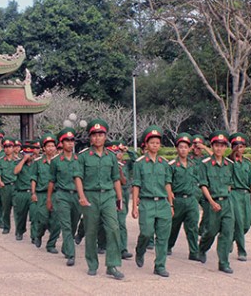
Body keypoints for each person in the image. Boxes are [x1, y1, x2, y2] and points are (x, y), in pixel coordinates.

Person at [73, 119, 124, 280]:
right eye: (94, 135)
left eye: (100, 134)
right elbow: (78, 177)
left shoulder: (111, 156)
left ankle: (112, 265)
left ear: (105, 136)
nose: (97, 138)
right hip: (90, 196)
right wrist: (81, 197)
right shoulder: (83, 157)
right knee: (91, 230)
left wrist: (119, 198)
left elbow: (116, 178)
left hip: (108, 195)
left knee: (114, 228)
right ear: (90, 137)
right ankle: (92, 264)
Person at [132, 125, 173, 278]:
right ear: (146, 144)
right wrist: (135, 206)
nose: (155, 145)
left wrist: (171, 204)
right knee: (146, 233)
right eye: (152, 142)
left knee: (163, 237)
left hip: (163, 203)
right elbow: (136, 184)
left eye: (157, 143)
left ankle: (160, 266)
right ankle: (140, 250)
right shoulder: (140, 163)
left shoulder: (164, 163)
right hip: (147, 203)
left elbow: (168, 184)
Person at [198, 130, 235, 274]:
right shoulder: (205, 164)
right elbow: (203, 185)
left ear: (226, 147)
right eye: (216, 145)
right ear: (212, 146)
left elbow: (230, 184)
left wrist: (227, 197)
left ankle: (224, 262)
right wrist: (212, 202)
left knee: (227, 232)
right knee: (211, 231)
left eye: (222, 145)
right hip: (212, 203)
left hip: (226, 203)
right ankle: (202, 248)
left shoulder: (229, 164)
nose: (219, 148)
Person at [47, 128, 81, 266]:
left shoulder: (80, 159)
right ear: (61, 143)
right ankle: (71, 254)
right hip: (62, 195)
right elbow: (51, 181)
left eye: (72, 140)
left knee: (74, 224)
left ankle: (66, 246)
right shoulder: (56, 161)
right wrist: (49, 199)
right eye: (67, 141)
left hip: (76, 196)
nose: (70, 143)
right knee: (66, 225)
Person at [228, 132, 251, 262]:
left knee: (247, 223)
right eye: (236, 146)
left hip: (245, 195)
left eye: (242, 146)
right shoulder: (229, 162)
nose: (239, 149)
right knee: (239, 222)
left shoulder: (247, 163)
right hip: (234, 194)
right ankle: (241, 251)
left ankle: (229, 238)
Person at [167, 133, 201, 261]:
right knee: (174, 225)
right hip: (178, 200)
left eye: (186, 147)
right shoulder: (172, 165)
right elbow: (168, 183)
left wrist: (196, 195)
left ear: (189, 149)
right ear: (177, 148)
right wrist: (170, 198)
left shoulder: (193, 165)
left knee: (192, 226)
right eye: (181, 147)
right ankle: (168, 246)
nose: (183, 150)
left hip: (191, 199)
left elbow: (198, 181)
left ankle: (194, 252)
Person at [31, 133, 61, 253]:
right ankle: (38, 235)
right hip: (42, 194)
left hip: (56, 194)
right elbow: (33, 178)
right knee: (43, 219)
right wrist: (33, 193)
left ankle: (51, 244)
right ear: (43, 148)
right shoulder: (38, 162)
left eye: (52, 146)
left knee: (57, 221)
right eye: (48, 146)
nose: (50, 148)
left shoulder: (60, 161)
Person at [0, 137, 20, 234]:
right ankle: (6, 227)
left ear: (13, 147)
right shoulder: (0, 160)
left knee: (17, 210)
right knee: (6, 209)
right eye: (5, 146)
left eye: (10, 146)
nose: (7, 149)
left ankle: (19, 230)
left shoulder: (18, 160)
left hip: (16, 187)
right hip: (5, 187)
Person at [13, 145, 35, 241]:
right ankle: (20, 231)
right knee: (21, 215)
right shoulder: (18, 163)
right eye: (26, 154)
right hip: (21, 192)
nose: (28, 156)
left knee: (35, 215)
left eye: (30, 154)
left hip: (33, 193)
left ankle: (34, 236)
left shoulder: (36, 164)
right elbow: (15, 171)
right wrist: (23, 160)